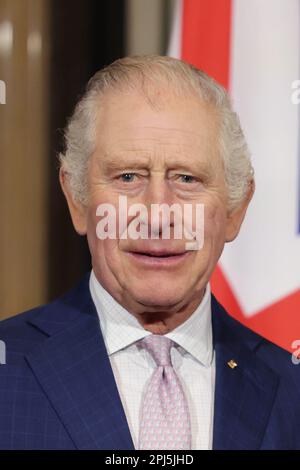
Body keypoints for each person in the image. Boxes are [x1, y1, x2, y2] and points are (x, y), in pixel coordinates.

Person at [0, 56, 299, 450]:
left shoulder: (291, 393)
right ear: (76, 198)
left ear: (235, 209)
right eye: (128, 176)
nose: (158, 214)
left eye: (187, 178)